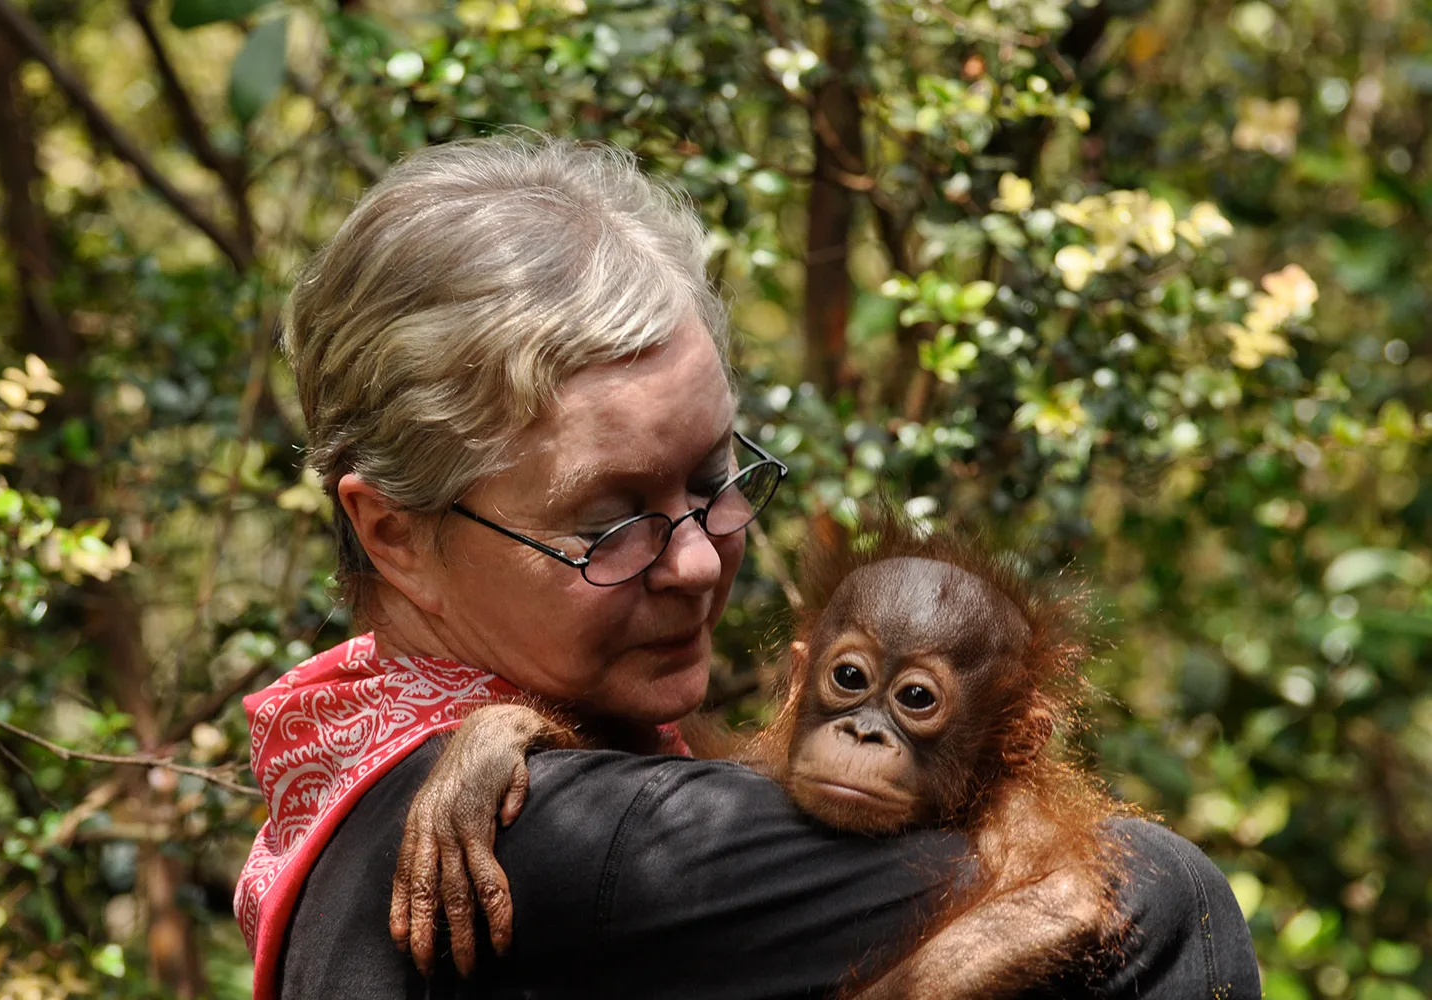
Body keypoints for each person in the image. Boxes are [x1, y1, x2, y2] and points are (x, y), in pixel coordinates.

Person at [233, 134, 1261, 1000]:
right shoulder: (577, 842)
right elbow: (1160, 904)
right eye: (609, 522)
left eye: (714, 476)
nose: (692, 559)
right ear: (396, 533)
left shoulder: (360, 794)